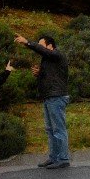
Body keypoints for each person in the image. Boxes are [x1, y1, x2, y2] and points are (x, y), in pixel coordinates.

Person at [15, 34, 70, 169]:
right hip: (49, 97)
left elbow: (43, 52)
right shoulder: (48, 60)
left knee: (58, 129)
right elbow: (51, 77)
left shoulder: (57, 55)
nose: (40, 48)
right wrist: (39, 74)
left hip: (56, 97)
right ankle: (54, 157)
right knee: (50, 129)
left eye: (41, 45)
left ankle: (63, 158)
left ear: (50, 46)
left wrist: (27, 42)